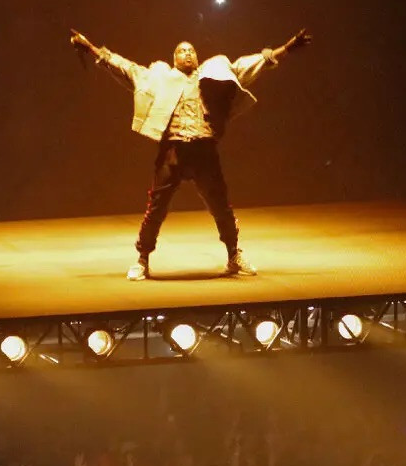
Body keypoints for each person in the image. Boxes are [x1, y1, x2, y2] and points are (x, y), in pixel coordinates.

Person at [68, 26, 312, 279]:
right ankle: (142, 259)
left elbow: (251, 64)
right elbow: (125, 67)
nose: (187, 53)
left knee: (221, 207)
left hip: (203, 150)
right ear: (174, 58)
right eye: (182, 51)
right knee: (156, 209)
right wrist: (90, 48)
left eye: (191, 51)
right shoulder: (159, 78)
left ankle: (233, 255)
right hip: (172, 150)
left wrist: (287, 48)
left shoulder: (212, 76)